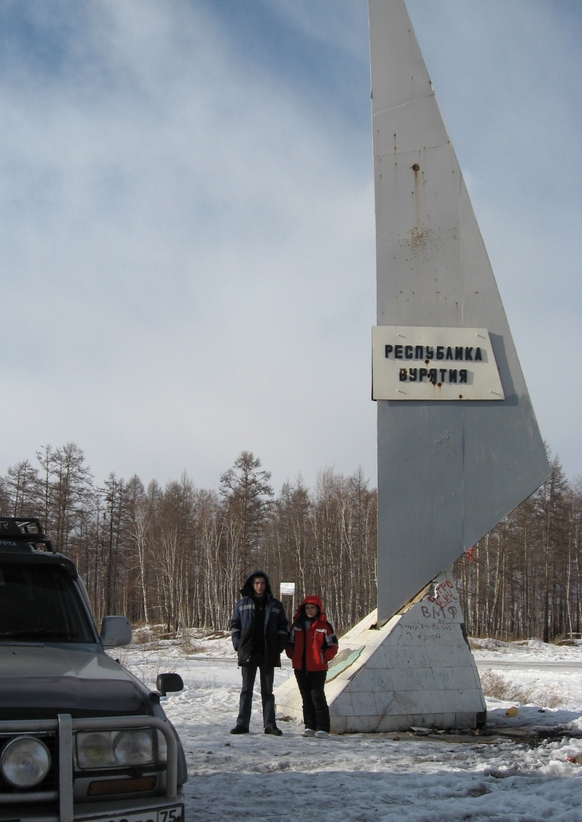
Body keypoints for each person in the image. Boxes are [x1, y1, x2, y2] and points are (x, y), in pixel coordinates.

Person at [230, 570, 288, 735]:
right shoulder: (242, 604)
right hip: (248, 652)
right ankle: (242, 724)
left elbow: (283, 627)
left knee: (267, 691)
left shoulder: (275, 605)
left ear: (266, 584)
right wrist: (237, 645)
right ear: (252, 584)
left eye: (262, 583)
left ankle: (270, 725)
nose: (259, 586)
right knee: (246, 690)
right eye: (256, 583)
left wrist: (279, 646)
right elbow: (235, 625)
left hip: (268, 653)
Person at [286, 594, 338, 738]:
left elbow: (333, 645)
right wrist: (293, 655)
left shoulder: (324, 626)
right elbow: (290, 643)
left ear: (318, 609)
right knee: (306, 697)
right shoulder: (296, 625)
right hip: (300, 667)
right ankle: (310, 725)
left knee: (317, 696)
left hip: (317, 668)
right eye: (307, 608)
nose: (310, 610)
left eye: (312, 608)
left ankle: (323, 727)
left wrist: (323, 657)